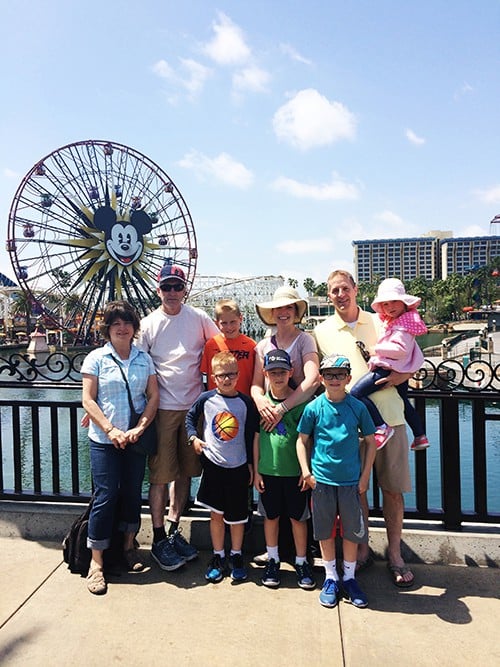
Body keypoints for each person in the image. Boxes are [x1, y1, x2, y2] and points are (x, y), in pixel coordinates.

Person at [313, 269, 415, 587]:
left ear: (356, 290)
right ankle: (363, 548)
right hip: (349, 425)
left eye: (345, 288)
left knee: (392, 491)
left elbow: (410, 351)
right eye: (334, 290)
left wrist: (402, 376)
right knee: (357, 492)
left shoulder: (380, 320)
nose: (340, 295)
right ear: (329, 296)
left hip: (390, 417)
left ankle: (396, 554)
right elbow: (318, 377)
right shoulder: (321, 331)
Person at [137, 262, 219, 571]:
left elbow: (220, 347)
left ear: (185, 290)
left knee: (185, 472)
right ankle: (158, 537)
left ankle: (173, 530)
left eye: (177, 287)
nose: (172, 292)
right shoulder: (148, 324)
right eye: (167, 287)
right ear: (158, 290)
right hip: (162, 408)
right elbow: (138, 365)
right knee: (160, 476)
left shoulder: (198, 318)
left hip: (193, 407)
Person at [81, 301, 159, 595]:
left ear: (134, 328)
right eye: (116, 324)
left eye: (126, 323)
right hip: (104, 440)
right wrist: (110, 429)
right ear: (108, 329)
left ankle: (128, 548)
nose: (122, 328)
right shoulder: (96, 358)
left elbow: (153, 396)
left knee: (131, 493)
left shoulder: (144, 359)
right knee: (105, 495)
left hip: (135, 439)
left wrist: (140, 427)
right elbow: (88, 399)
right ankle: (96, 562)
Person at [296, 354, 377, 608]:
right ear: (321, 378)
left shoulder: (357, 407)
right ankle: (331, 577)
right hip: (322, 481)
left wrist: (365, 477)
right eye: (329, 375)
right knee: (325, 530)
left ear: (348, 378)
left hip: (351, 481)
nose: (334, 379)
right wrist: (306, 472)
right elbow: (302, 441)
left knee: (352, 531)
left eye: (339, 375)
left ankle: (350, 578)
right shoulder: (314, 407)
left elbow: (371, 442)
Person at [185, 352, 259, 583]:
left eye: (231, 375)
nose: (226, 379)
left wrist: (251, 466)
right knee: (216, 515)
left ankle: (236, 555)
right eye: (221, 375)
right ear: (214, 377)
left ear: (238, 375)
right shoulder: (206, 399)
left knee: (237, 518)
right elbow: (189, 418)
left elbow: (251, 436)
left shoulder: (246, 403)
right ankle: (218, 555)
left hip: (238, 467)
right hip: (214, 466)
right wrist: (193, 439)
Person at [254, 349, 315, 590]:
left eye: (282, 372)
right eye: (272, 372)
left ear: (291, 372)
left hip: (294, 473)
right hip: (268, 472)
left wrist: (305, 469)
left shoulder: (301, 404)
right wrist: (257, 470)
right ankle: (273, 558)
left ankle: (301, 561)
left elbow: (307, 440)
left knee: (298, 519)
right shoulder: (262, 404)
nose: (277, 376)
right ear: (265, 374)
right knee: (271, 517)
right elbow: (256, 438)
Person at [350, 278, 430, 451]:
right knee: (404, 401)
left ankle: (381, 426)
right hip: (397, 368)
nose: (390, 307)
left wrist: (375, 350)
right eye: (385, 304)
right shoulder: (401, 321)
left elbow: (400, 349)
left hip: (388, 368)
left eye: (394, 301)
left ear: (403, 302)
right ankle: (420, 435)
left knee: (356, 393)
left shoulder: (403, 325)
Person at [251, 286, 320, 430]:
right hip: (270, 414)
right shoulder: (263, 345)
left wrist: (282, 408)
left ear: (295, 312)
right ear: (272, 312)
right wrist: (259, 400)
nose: (283, 312)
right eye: (278, 308)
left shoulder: (305, 340)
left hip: (299, 414)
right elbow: (256, 384)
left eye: (289, 307)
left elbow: (313, 380)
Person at [200, 298, 256, 394]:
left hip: (245, 400)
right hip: (217, 401)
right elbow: (206, 375)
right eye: (224, 323)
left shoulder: (251, 345)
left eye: (233, 322)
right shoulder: (211, 345)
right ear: (217, 323)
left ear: (241, 319)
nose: (229, 327)